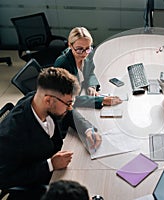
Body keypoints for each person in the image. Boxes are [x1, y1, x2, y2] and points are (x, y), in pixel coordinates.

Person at [0, 67, 101, 199]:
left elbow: (70, 113)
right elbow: (4, 178)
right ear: (48, 100)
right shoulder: (11, 134)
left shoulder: (37, 100)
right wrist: (49, 164)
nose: (70, 107)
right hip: (37, 186)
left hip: (58, 168)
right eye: (68, 103)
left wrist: (87, 129)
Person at [54, 26, 122, 109]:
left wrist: (92, 86)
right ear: (70, 45)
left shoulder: (88, 54)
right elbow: (67, 98)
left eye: (87, 48)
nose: (84, 54)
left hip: (82, 93)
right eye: (79, 49)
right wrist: (101, 100)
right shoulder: (62, 64)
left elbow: (90, 73)